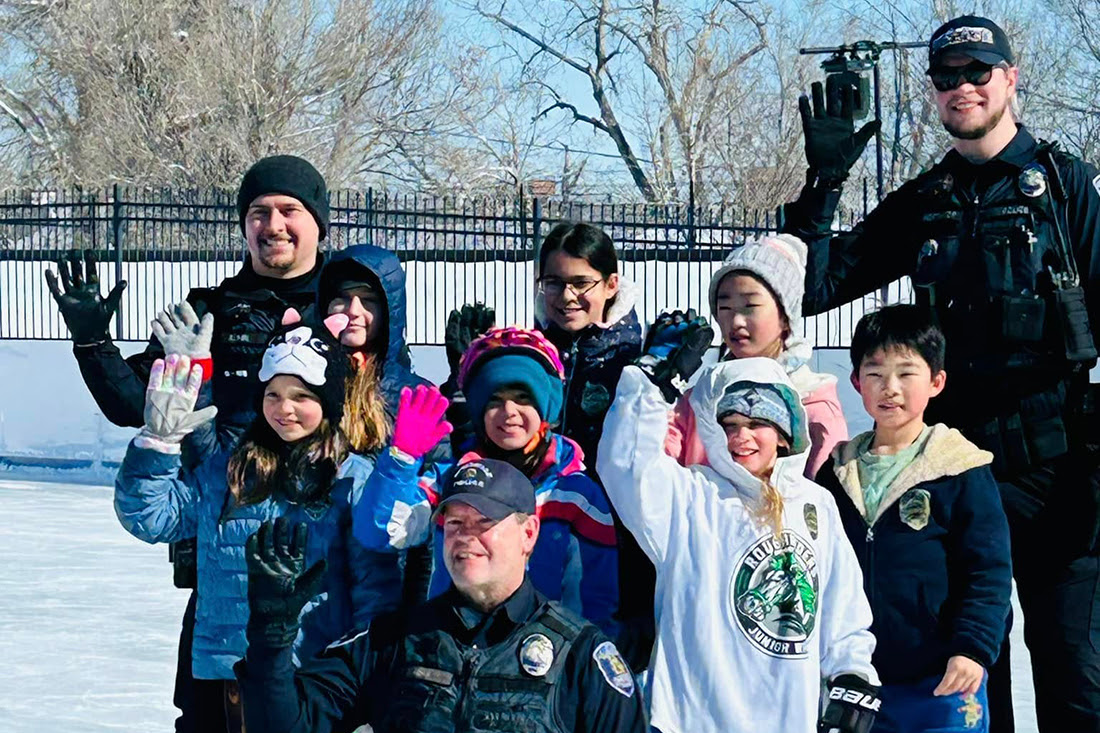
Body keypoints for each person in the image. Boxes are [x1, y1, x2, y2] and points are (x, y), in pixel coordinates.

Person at [780, 14, 1100, 732]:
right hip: (951, 469)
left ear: (1011, 80)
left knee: (1076, 678)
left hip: (1056, 466)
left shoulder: (1063, 185)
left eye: (978, 72)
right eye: (947, 78)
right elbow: (812, 287)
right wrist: (825, 183)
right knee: (964, 678)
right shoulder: (928, 199)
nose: (963, 87)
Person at [44, 154, 331, 733]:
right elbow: (136, 406)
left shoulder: (350, 303)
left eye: (288, 210)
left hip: (322, 538)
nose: (272, 225)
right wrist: (93, 343)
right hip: (221, 529)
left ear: (319, 222)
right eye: (258, 212)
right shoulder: (213, 309)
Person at [114, 314, 402, 732]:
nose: (284, 408)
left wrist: (367, 687)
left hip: (311, 677)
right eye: (274, 393)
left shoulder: (350, 479)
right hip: (224, 675)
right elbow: (151, 516)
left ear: (329, 403)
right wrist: (158, 443)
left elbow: (375, 594)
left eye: (301, 396)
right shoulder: (230, 470)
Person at [596, 311, 880, 733]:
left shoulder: (815, 505)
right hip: (693, 720)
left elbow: (843, 606)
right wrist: (649, 387)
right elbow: (625, 466)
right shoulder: (691, 498)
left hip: (789, 718)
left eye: (757, 423)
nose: (742, 437)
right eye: (730, 424)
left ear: (785, 432)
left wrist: (851, 673)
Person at [235, 456, 649, 733]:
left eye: (484, 521)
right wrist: (271, 637)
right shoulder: (390, 642)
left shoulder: (580, 655)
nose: (464, 537)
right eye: (453, 523)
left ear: (528, 534)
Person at [815, 305, 1012, 733]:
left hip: (942, 681)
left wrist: (972, 649)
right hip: (860, 682)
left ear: (937, 381)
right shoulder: (835, 472)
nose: (891, 389)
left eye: (907, 373)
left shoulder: (959, 469)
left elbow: (988, 570)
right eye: (875, 373)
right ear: (856, 382)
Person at [355, 327, 620, 634]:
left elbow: (596, 599)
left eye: (523, 398)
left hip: (543, 657)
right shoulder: (450, 483)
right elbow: (381, 532)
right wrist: (400, 461)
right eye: (494, 400)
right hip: (451, 648)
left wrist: (580, 663)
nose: (509, 412)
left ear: (545, 405)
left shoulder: (574, 495)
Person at [318, 243, 453, 607]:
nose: (354, 312)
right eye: (341, 300)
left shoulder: (412, 393)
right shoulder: (303, 381)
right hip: (312, 579)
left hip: (386, 584)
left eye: (368, 301)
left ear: (390, 311)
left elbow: (434, 489)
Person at [665, 233, 848, 479]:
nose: (736, 321)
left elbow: (824, 501)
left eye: (750, 307)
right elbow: (654, 475)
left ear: (786, 316)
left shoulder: (812, 406)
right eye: (725, 308)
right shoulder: (699, 400)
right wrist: (658, 390)